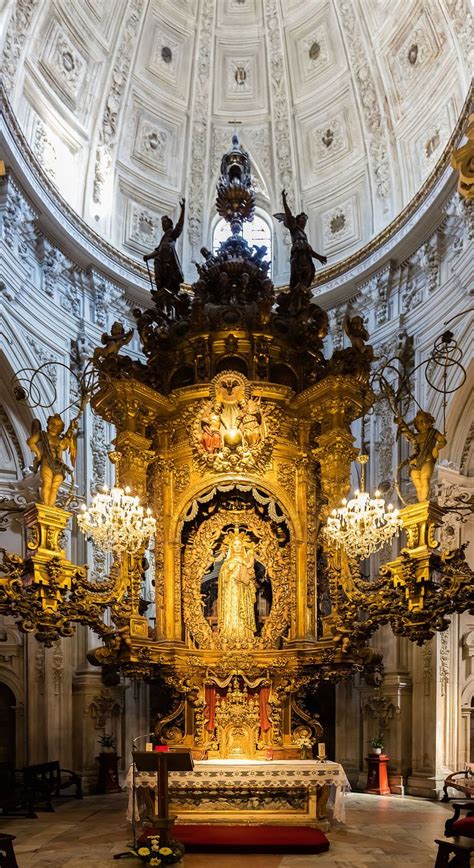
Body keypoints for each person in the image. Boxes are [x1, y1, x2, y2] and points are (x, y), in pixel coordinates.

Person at [274, 189, 327, 289]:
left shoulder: (304, 236)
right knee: (299, 270)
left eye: (306, 219)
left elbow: (309, 250)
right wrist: (284, 200)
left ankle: (303, 288)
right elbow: (289, 215)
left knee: (310, 271)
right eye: (303, 218)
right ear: (297, 220)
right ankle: (298, 288)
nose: (305, 221)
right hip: (298, 253)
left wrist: (320, 257)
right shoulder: (294, 228)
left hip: (305, 254)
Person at [27, 414, 78, 507]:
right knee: (47, 483)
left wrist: (71, 427)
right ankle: (46, 505)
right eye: (53, 424)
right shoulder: (42, 434)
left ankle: (50, 507)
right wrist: (38, 454)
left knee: (55, 487)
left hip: (59, 464)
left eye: (58, 426)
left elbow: (67, 442)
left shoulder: (61, 440)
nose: (55, 427)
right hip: (46, 461)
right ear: (48, 424)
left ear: (61, 429)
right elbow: (30, 442)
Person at [396, 409, 447, 501]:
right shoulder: (416, 436)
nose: (422, 423)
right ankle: (421, 504)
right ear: (416, 424)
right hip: (415, 462)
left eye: (424, 420)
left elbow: (443, 441)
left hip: (427, 459)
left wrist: (436, 448)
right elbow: (406, 433)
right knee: (418, 486)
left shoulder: (433, 432)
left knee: (425, 479)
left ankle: (425, 502)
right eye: (419, 422)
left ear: (429, 421)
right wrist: (400, 423)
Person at [217, 530, 256, 643]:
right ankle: (229, 632)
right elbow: (222, 577)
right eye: (235, 544)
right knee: (232, 608)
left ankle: (244, 633)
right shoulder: (227, 561)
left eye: (239, 544)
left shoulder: (247, 559)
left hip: (243, 591)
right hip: (230, 590)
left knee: (242, 608)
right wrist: (230, 568)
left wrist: (244, 565)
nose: (237, 547)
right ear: (231, 546)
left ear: (242, 545)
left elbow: (251, 577)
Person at [144, 199, 186, 297]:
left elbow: (180, 226)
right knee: (158, 273)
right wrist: (148, 256)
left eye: (165, 222)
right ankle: (160, 290)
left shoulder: (172, 233)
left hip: (169, 260)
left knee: (168, 277)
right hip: (160, 259)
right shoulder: (164, 238)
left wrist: (183, 210)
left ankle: (165, 291)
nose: (163, 225)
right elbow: (158, 250)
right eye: (162, 223)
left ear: (170, 224)